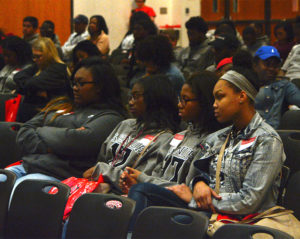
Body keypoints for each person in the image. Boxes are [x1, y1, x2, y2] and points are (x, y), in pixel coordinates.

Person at [128, 64, 285, 229]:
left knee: (178, 223)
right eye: (214, 99)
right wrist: (199, 183)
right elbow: (196, 175)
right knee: (141, 190)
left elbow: (249, 201)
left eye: (220, 97)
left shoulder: (267, 140)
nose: (214, 104)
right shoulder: (217, 137)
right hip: (208, 210)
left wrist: (195, 200)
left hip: (244, 219)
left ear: (242, 96)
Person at [3, 57, 126, 191]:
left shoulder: (110, 117)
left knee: (20, 191)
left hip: (60, 177)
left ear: (99, 87)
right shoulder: (62, 104)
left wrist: (42, 130)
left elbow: (77, 141)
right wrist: (53, 145)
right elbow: (25, 131)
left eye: (81, 83)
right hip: (26, 166)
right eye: (73, 83)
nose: (75, 88)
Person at [119, 71, 222, 194]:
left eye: (185, 100)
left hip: (178, 205)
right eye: (180, 98)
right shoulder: (179, 136)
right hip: (157, 196)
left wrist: (142, 179)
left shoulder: (213, 143)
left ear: (204, 103)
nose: (179, 104)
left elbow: (187, 190)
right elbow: (156, 174)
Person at [83, 75, 180, 194]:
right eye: (130, 97)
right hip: (97, 186)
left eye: (136, 97)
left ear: (153, 99)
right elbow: (101, 159)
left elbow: (138, 181)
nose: (130, 102)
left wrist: (104, 171)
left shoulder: (165, 139)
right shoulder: (125, 124)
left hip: (123, 196)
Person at [14, 37, 71, 122]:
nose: (35, 60)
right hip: (37, 110)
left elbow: (31, 84)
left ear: (49, 54)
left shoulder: (58, 68)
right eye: (34, 57)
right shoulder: (38, 67)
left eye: (38, 56)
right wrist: (35, 90)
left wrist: (28, 89)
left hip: (52, 111)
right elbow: (17, 76)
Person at [253, 46, 300, 129]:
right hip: (248, 134)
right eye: (267, 64)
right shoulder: (246, 84)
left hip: (273, 135)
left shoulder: (284, 86)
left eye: (275, 65)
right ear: (255, 65)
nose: (271, 68)